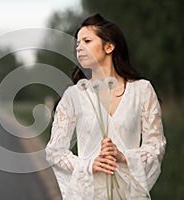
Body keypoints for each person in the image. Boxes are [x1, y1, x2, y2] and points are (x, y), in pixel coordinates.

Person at [45, 13, 166, 199]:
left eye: (86, 41)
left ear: (109, 46)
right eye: (77, 44)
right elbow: (54, 151)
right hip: (90, 193)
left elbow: (156, 145)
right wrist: (88, 165)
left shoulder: (142, 90)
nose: (79, 48)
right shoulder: (73, 96)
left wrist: (124, 156)